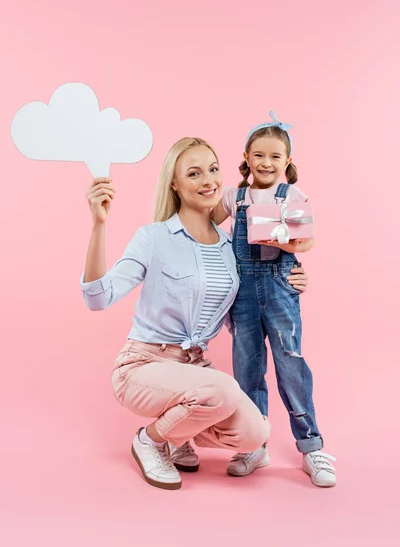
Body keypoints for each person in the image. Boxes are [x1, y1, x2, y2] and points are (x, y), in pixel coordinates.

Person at [81, 137, 276, 491]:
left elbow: (242, 313)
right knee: (222, 390)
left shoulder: (230, 247)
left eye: (214, 169)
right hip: (143, 365)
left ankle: (179, 434)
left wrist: (292, 281)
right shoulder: (154, 237)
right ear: (175, 183)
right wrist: (98, 225)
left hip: (194, 370)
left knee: (256, 433)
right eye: (194, 172)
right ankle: (152, 440)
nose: (209, 180)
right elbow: (99, 298)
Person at [209, 111, 336, 488]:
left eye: (275, 157)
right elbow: (207, 225)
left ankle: (311, 446)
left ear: (287, 162)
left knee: (291, 365)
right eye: (259, 155)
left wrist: (279, 243)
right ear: (246, 157)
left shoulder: (292, 195)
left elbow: (306, 241)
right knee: (247, 369)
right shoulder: (235, 196)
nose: (266, 163)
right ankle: (254, 444)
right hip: (243, 294)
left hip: (280, 287)